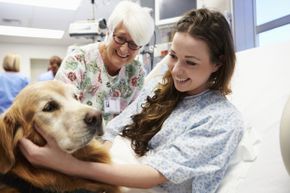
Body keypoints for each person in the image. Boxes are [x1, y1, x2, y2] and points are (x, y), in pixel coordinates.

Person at [19, 8, 244, 193]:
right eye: (173, 56)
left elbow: (153, 175)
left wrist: (72, 166)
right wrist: (87, 162)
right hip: (101, 168)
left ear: (218, 63)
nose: (176, 70)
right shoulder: (157, 90)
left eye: (191, 62)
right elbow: (114, 129)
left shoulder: (220, 119)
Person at [54, 0, 155, 125]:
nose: (124, 49)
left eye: (133, 44)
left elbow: (132, 116)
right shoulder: (78, 61)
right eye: (120, 38)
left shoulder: (136, 73)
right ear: (109, 31)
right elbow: (61, 112)